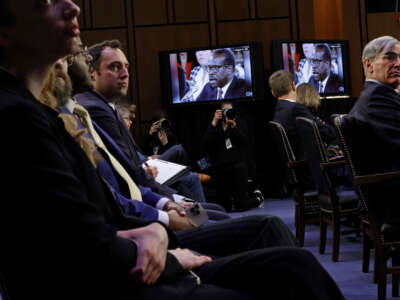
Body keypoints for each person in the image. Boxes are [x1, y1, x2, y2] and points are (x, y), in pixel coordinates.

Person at [0, 1, 348, 300]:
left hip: (130, 249)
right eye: (44, 1)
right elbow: (80, 245)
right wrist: (163, 240)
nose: (73, 6)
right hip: (122, 282)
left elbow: (91, 214)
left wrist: (152, 222)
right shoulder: (19, 117)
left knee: (280, 254)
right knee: (287, 263)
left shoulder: (36, 112)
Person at [75, 39, 207, 203]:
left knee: (207, 206)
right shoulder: (96, 109)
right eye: (114, 67)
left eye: (126, 67)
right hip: (139, 201)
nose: (125, 74)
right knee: (213, 214)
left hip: (145, 186)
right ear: (93, 72)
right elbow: (129, 175)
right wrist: (173, 202)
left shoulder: (107, 106)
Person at [350, 35, 400, 228]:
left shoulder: (377, 95)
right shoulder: (378, 98)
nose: (398, 63)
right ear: (369, 65)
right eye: (390, 57)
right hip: (391, 202)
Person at [203, 101, 263, 212]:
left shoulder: (239, 122)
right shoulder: (215, 125)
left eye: (230, 110)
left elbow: (245, 142)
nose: (228, 113)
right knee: (224, 208)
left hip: (237, 167)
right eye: (225, 111)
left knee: (241, 206)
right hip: (221, 168)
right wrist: (215, 121)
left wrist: (234, 128)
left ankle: (258, 198)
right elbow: (207, 143)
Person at [270, 70, 337, 160]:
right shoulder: (296, 108)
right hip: (310, 164)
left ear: (273, 93)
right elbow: (328, 133)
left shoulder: (278, 111)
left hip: (296, 165)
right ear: (294, 86)